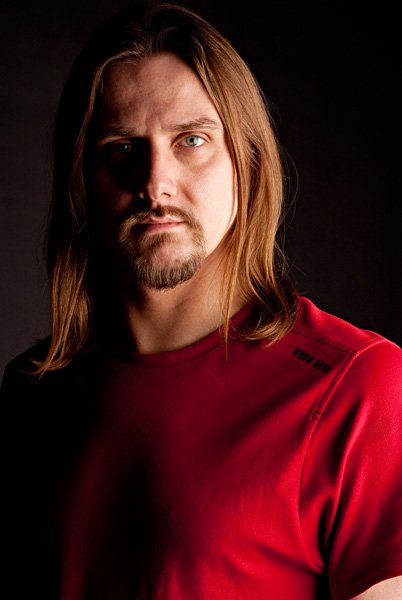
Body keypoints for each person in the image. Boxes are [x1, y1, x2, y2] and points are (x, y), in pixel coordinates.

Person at [1, 2, 401, 598]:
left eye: (191, 140)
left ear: (248, 161)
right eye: (121, 148)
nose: (154, 183)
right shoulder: (34, 392)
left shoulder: (359, 387)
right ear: (82, 180)